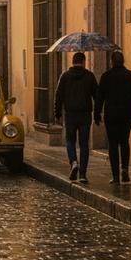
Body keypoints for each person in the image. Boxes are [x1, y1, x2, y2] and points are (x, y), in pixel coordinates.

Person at [94, 51, 131, 184]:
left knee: (113, 144)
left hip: (111, 115)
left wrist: (97, 114)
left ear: (112, 61)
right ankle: (125, 169)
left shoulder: (106, 77)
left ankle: (116, 176)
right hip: (127, 114)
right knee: (124, 141)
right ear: (123, 61)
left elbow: (100, 97)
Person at [54, 52, 98, 183]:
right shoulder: (90, 76)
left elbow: (58, 96)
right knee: (84, 143)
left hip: (70, 114)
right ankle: (83, 174)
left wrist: (58, 114)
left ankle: (73, 162)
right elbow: (97, 95)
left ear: (72, 62)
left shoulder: (65, 76)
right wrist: (97, 114)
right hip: (85, 114)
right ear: (84, 61)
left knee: (70, 140)